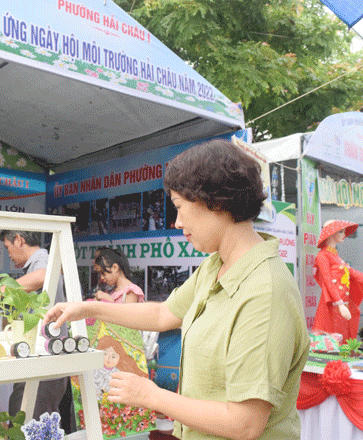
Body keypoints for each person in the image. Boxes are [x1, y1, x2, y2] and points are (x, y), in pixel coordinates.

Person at [44, 138, 309, 440]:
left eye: (181, 207)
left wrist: (151, 396)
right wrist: (88, 308)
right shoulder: (215, 266)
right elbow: (162, 313)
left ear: (216, 202)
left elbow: (244, 423)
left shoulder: (265, 292)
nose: (178, 222)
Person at [0, 230, 70, 421]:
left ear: (19, 240)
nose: (9, 255)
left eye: (8, 248)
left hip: (45, 365)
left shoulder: (42, 260)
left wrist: (3, 290)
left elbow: (43, 276)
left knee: (30, 423)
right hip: (41, 362)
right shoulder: (34, 264)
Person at [312, 220, 363, 342]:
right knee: (330, 335)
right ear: (330, 233)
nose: (343, 234)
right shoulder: (323, 255)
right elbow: (327, 281)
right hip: (331, 303)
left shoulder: (336, 256)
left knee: (343, 331)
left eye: (344, 232)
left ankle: (344, 356)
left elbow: (353, 272)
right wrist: (339, 304)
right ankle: (333, 359)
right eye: (340, 231)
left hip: (344, 302)